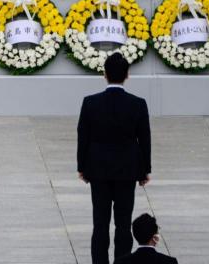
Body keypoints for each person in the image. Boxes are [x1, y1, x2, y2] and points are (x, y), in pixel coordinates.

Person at [77, 53, 152, 264]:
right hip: (126, 171)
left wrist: (82, 166)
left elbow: (83, 137)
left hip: (98, 169)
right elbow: (144, 139)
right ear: (127, 75)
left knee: (100, 223)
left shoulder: (90, 103)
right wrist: (145, 169)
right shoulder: (138, 104)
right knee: (123, 223)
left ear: (104, 74)